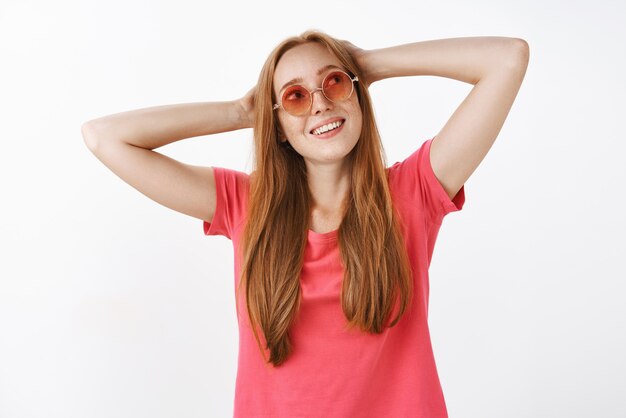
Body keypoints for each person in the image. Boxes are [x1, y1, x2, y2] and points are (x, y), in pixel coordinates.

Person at [82, 30, 529, 418]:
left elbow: (507, 57)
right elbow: (105, 137)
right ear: (277, 123)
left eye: (334, 82)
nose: (318, 103)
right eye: (295, 96)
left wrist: (368, 64)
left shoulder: (411, 193)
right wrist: (242, 112)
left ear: (356, 94)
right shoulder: (246, 205)